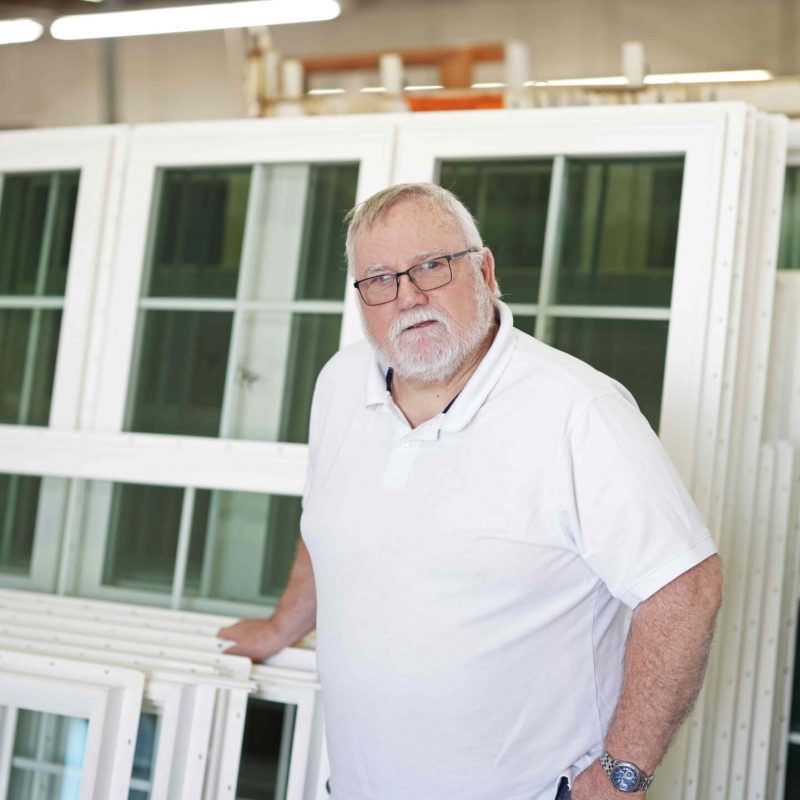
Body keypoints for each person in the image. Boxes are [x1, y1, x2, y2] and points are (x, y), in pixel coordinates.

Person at [219, 183, 722, 800]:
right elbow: (325, 524)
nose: (407, 297)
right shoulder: (340, 382)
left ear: (484, 270)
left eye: (431, 266)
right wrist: (281, 625)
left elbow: (685, 588)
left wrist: (622, 775)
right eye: (379, 280)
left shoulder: (579, 410)